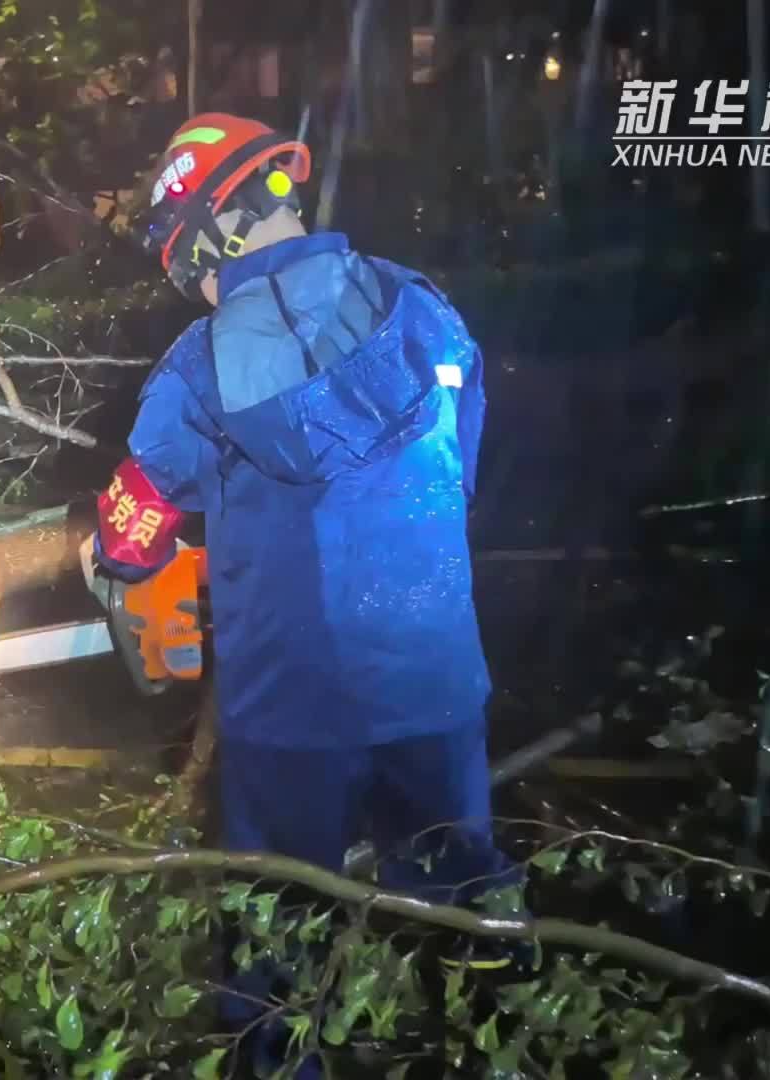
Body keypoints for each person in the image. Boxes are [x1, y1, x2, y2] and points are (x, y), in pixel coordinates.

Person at [80, 113, 522, 1076]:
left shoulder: (198, 370)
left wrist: (120, 551)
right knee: (462, 909)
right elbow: (462, 473)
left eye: (183, 262)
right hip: (435, 681)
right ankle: (494, 1045)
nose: (192, 287)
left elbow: (132, 529)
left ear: (212, 234)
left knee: (277, 937)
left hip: (289, 707)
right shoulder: (426, 312)